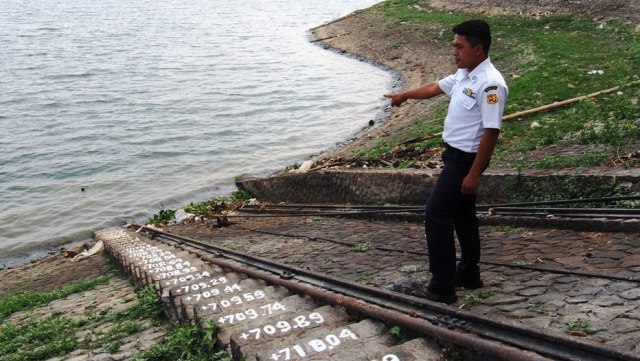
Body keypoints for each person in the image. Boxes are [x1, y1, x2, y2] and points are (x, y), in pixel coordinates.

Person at [384, 19, 508, 304]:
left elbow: (491, 132)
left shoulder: (490, 84)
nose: (454, 51)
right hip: (454, 155)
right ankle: (468, 274)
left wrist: (474, 174)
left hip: (466, 161)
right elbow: (433, 88)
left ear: (478, 48)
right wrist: (405, 95)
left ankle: (442, 288)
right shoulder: (465, 74)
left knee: (435, 214)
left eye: (459, 46)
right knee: (462, 214)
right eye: (454, 46)